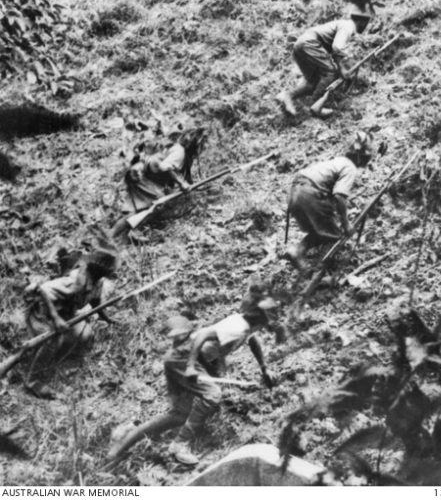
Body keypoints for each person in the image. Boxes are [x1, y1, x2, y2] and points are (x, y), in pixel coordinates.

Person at [107, 284, 284, 466]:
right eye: (267, 318)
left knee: (180, 415)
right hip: (184, 358)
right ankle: (180, 444)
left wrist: (264, 368)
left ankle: (120, 446)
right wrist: (191, 366)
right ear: (260, 317)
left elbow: (253, 340)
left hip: (181, 357)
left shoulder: (246, 326)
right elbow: (203, 335)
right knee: (213, 394)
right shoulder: (237, 326)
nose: (268, 323)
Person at [24, 238, 119, 398]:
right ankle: (33, 381)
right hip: (42, 314)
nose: (113, 272)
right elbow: (44, 291)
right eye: (110, 269)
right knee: (53, 340)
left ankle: (56, 360)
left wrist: (107, 318)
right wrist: (55, 319)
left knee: (85, 333)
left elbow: (95, 301)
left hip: (64, 313)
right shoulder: (76, 281)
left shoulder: (97, 280)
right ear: (100, 268)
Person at [285, 131, 373, 270]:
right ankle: (321, 268)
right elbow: (339, 196)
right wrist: (346, 223)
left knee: (322, 231)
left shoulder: (336, 161)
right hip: (310, 194)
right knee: (334, 235)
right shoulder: (349, 167)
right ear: (360, 157)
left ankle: (298, 252)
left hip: (295, 194)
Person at [112, 124, 206, 237]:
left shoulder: (183, 153)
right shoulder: (180, 153)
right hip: (143, 177)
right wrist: (182, 184)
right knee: (152, 207)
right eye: (202, 146)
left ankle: (118, 235)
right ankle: (118, 234)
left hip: (145, 176)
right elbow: (165, 166)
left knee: (141, 210)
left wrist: (194, 186)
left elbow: (183, 175)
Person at [276, 10, 371, 117]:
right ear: (363, 22)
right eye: (367, 22)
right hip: (310, 44)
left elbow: (334, 51)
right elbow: (337, 47)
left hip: (300, 45)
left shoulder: (343, 24)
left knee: (313, 82)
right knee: (330, 71)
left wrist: (342, 67)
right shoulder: (348, 27)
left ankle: (287, 95)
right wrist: (341, 68)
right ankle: (315, 105)